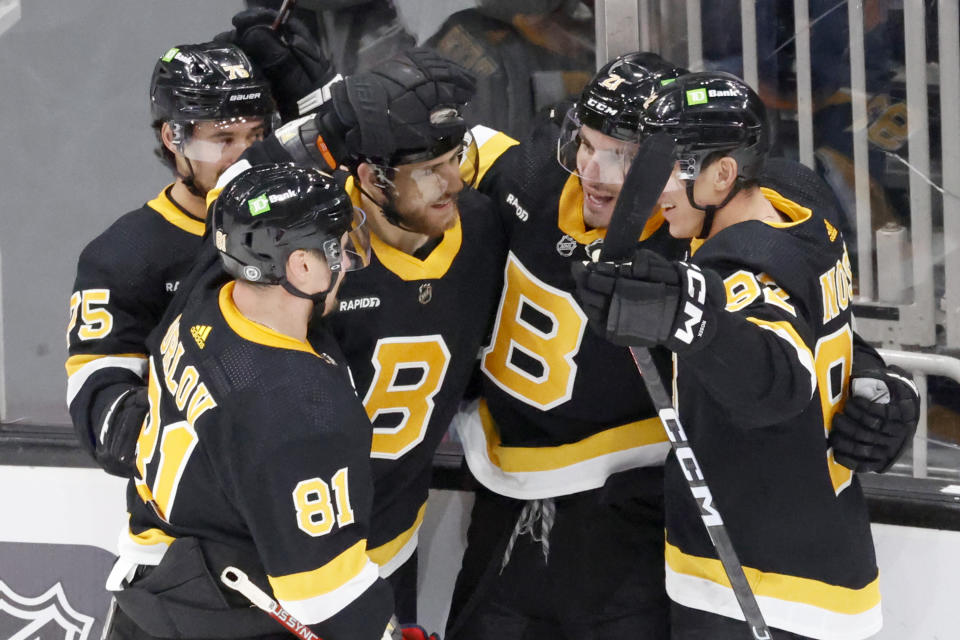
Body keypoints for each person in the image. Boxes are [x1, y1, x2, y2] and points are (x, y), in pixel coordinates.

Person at [572, 71, 891, 639]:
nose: (652, 191)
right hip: (827, 558)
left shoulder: (738, 270)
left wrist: (686, 319)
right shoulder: (800, 210)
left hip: (754, 583)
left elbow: (776, 383)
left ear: (722, 174)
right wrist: (882, 381)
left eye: (667, 170)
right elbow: (820, 333)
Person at [102, 162, 400, 640]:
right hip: (221, 618)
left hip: (155, 592)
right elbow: (326, 601)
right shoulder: (303, 413)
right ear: (301, 266)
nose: (347, 260)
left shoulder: (205, 288)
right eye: (339, 248)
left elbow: (235, 196)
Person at [66, 42, 278, 478]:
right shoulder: (121, 256)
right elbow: (111, 429)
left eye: (256, 137)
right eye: (223, 138)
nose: (246, 157)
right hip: (185, 526)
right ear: (173, 137)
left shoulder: (296, 227)